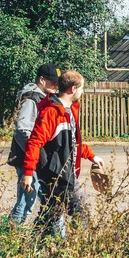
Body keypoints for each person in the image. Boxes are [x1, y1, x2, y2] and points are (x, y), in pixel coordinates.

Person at [21, 70, 105, 237]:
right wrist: (28, 172)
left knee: (48, 218)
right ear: (73, 89)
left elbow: (72, 142)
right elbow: (34, 142)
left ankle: (29, 252)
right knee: (81, 213)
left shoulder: (69, 110)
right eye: (82, 88)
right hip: (58, 176)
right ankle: (79, 251)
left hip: (61, 174)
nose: (83, 92)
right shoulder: (52, 112)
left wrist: (91, 155)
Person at [7, 63, 60, 224]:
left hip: (34, 157)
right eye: (53, 82)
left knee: (33, 200)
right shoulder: (31, 99)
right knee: (26, 202)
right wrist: (34, 153)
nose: (56, 86)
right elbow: (22, 130)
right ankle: (8, 236)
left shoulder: (44, 98)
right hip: (27, 157)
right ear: (42, 80)